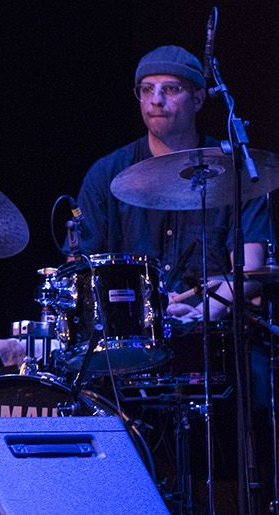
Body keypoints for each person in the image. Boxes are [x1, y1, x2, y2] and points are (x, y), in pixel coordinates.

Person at [75, 44, 268, 323]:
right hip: (133, 334)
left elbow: (250, 267)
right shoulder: (106, 174)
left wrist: (203, 315)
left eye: (171, 89)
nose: (156, 100)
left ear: (199, 99)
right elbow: (84, 271)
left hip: (213, 329)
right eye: (146, 89)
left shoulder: (235, 170)